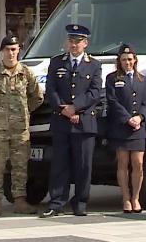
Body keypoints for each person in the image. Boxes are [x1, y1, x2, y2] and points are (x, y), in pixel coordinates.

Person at [0, 36, 43, 216]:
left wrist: (24, 111)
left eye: (14, 49)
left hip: (20, 129)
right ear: (2, 51)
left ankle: (20, 201)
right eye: (8, 49)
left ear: (18, 51)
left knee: (20, 166)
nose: (11, 53)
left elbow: (37, 97)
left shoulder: (26, 73)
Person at [41, 24, 102, 217]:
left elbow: (95, 92)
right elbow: (51, 89)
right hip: (61, 120)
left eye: (78, 41)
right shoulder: (57, 62)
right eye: (71, 40)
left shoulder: (94, 65)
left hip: (84, 122)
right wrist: (63, 108)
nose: (74, 45)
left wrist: (76, 108)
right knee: (60, 163)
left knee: (83, 165)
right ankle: (57, 202)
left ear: (85, 43)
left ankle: (81, 202)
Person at [106, 44, 146, 213]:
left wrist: (140, 117)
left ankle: (136, 198)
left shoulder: (142, 79)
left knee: (138, 163)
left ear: (135, 60)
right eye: (124, 60)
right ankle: (125, 198)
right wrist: (127, 119)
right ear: (119, 61)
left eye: (130, 59)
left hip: (138, 128)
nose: (127, 63)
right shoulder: (112, 78)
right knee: (123, 164)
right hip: (121, 127)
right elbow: (113, 102)